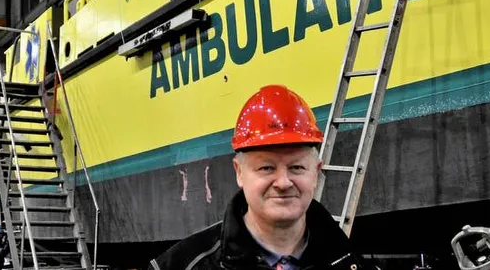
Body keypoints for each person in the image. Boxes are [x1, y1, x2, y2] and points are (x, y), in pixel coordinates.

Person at [152, 85, 369, 270]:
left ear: (317, 172)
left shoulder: (351, 263)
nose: (283, 183)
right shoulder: (180, 265)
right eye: (266, 168)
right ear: (239, 172)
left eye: (297, 167)